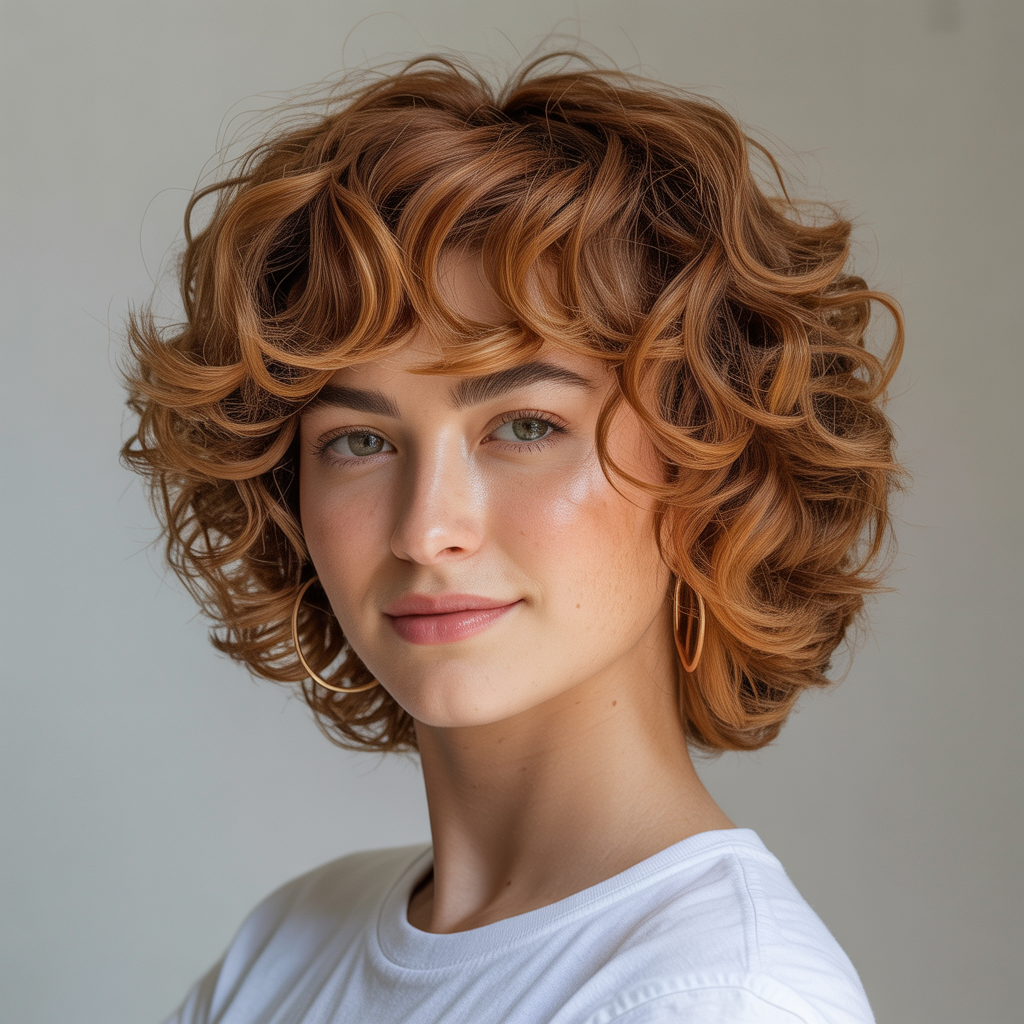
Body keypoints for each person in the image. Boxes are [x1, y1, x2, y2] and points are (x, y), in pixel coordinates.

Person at [122, 53, 903, 1024]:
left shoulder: (717, 998)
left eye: (524, 426)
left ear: (707, 466)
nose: (425, 530)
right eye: (359, 440)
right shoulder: (286, 949)